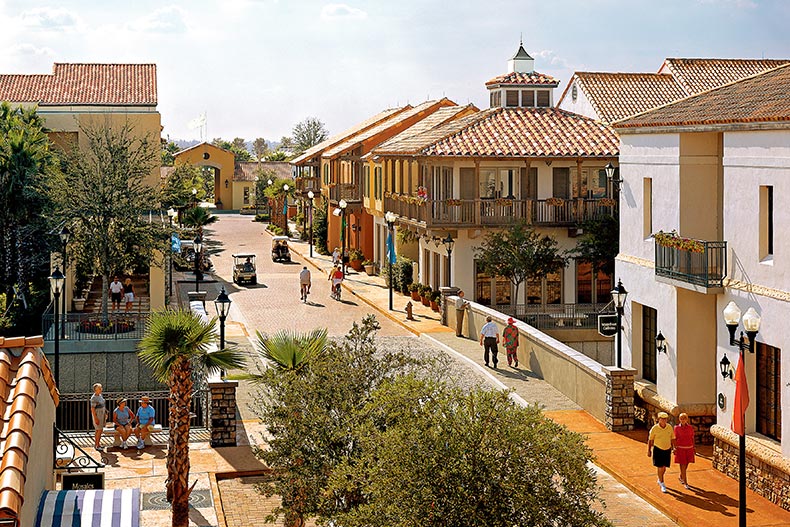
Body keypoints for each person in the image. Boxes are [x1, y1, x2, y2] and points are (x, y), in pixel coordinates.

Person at [647, 411, 676, 493]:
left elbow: (673, 438)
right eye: (662, 419)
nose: (664, 421)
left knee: (664, 467)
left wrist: (675, 448)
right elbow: (650, 440)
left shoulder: (669, 427)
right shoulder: (654, 428)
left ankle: (660, 479)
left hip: (667, 449)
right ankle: (662, 482)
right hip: (658, 449)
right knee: (660, 467)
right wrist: (649, 450)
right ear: (658, 419)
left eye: (665, 419)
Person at [674, 412, 695, 489]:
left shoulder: (690, 428)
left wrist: (694, 447)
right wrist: (674, 448)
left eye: (684, 418)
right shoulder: (676, 428)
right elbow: (674, 439)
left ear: (687, 419)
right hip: (680, 449)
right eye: (681, 419)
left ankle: (681, 476)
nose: (683, 420)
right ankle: (685, 482)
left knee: (686, 464)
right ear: (679, 419)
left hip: (689, 448)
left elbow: (692, 438)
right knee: (682, 465)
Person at [90, 383, 106, 451]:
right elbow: (92, 409)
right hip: (98, 414)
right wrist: (95, 418)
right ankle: (97, 445)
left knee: (99, 430)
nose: (101, 389)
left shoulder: (100, 395)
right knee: (99, 430)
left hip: (102, 413)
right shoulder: (94, 398)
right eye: (99, 388)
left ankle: (97, 444)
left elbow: (102, 405)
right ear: (95, 390)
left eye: (101, 388)